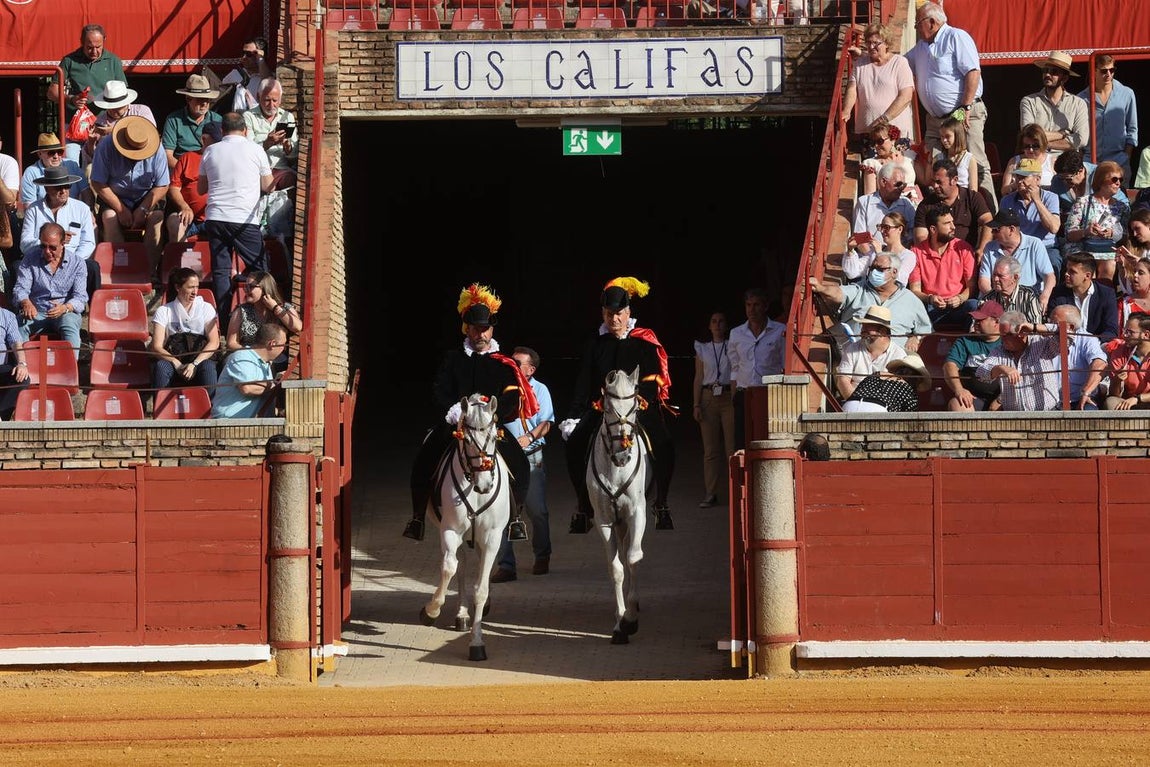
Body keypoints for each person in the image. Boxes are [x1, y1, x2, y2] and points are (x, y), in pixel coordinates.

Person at [403, 284, 534, 542]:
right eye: (475, 328)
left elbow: (510, 397)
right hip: (456, 424)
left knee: (518, 460)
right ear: (467, 329)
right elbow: (439, 390)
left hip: (488, 427)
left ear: (492, 329)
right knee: (425, 455)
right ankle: (418, 516)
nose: (480, 334)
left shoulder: (504, 364)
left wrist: (495, 416)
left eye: (485, 328)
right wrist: (451, 410)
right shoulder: (452, 359)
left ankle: (516, 516)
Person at [561, 277, 676, 533]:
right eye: (609, 314)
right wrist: (574, 415)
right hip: (602, 407)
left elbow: (652, 376)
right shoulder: (594, 344)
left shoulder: (643, 341)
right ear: (602, 313)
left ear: (628, 313)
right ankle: (583, 507)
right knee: (574, 443)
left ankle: (661, 503)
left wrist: (642, 397)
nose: (614, 319)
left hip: (638, 405)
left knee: (665, 443)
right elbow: (583, 381)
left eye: (619, 314)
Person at [905, 1, 996, 210]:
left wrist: (964, 109)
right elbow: (900, 64)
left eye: (918, 23)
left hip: (963, 114)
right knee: (935, 167)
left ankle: (990, 216)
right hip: (936, 121)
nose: (916, 28)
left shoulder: (956, 36)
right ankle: (942, 214)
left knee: (977, 165)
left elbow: (972, 72)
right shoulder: (920, 47)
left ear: (932, 22)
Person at [199, 112, 275, 316]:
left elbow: (200, 189)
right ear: (246, 130)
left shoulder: (210, 151)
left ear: (222, 131)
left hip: (215, 217)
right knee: (260, 269)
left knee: (221, 271)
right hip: (244, 219)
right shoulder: (256, 149)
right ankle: (264, 315)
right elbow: (268, 186)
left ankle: (225, 322)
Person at [490, 346, 555, 583]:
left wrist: (528, 437)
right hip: (504, 457)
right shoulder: (503, 385)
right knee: (501, 512)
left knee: (536, 510)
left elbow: (547, 422)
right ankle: (506, 565)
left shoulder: (540, 389)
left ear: (531, 369)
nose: (512, 365)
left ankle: (542, 554)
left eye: (518, 363)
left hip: (530, 456)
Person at [89, 115, 169, 275]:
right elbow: (98, 182)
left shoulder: (157, 149)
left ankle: (148, 272)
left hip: (146, 195)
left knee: (157, 217)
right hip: (114, 195)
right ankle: (120, 271)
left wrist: (144, 209)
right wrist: (120, 209)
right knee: (109, 218)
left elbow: (162, 185)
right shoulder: (105, 146)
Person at [810, 251, 931, 352]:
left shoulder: (911, 300)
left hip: (892, 363)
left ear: (894, 272)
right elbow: (839, 293)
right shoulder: (860, 289)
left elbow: (925, 328)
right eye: (872, 268)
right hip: (853, 356)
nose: (874, 272)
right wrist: (821, 288)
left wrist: (916, 338)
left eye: (879, 269)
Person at [47, 24, 127, 163]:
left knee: (102, 164)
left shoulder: (113, 60)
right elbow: (51, 92)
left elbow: (123, 94)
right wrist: (71, 99)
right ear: (81, 42)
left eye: (98, 47)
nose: (94, 51)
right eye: (89, 47)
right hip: (74, 126)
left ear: (104, 41)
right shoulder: (69, 60)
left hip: (103, 124)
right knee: (72, 164)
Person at [20, 166, 99, 299]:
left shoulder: (82, 209)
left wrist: (73, 261)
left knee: (93, 267)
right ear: (46, 188)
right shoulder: (34, 210)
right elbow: (24, 244)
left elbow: (88, 242)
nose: (63, 191)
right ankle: (22, 308)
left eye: (66, 186)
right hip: (41, 259)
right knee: (18, 266)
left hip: (75, 258)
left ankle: (96, 308)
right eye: (58, 187)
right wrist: (48, 244)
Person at [11, 223, 87, 359]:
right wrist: (26, 302)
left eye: (52, 247)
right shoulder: (30, 259)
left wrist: (65, 307)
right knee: (18, 324)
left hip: (64, 312)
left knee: (69, 324)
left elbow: (80, 297)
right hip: (37, 311)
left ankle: (69, 367)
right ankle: (24, 365)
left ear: (63, 243)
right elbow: (21, 288)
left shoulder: (77, 263)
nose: (47, 251)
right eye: (43, 246)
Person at [729, 287, 786, 451]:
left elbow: (784, 363)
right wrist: (735, 395)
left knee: (766, 439)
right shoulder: (736, 333)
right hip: (744, 392)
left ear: (765, 306)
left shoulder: (779, 330)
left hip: (769, 392)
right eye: (748, 305)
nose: (751, 310)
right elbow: (734, 367)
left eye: (756, 305)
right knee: (741, 442)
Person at [150, 267, 221, 395]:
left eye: (197, 287)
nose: (195, 291)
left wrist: (194, 363)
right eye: (190, 287)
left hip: (199, 360)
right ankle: (160, 412)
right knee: (161, 366)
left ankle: (212, 410)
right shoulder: (164, 310)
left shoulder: (206, 308)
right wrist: (176, 363)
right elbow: (156, 347)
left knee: (209, 367)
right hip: (174, 360)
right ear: (178, 287)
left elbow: (214, 342)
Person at [841, 22, 915, 144]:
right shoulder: (860, 63)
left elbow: (906, 96)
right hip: (869, 131)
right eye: (868, 42)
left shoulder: (900, 63)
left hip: (894, 132)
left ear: (886, 43)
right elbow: (852, 89)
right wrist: (847, 110)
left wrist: (884, 118)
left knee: (896, 163)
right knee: (871, 163)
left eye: (876, 43)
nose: (871, 46)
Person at [976, 310, 1063, 411]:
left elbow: (1067, 334)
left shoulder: (1041, 344)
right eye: (1001, 334)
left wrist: (1034, 327)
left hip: (1048, 414)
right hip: (1014, 418)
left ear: (1022, 332)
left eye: (1007, 335)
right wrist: (1001, 368)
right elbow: (980, 373)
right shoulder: (999, 351)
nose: (1002, 339)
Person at [908, 205, 977, 328]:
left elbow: (971, 286)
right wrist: (930, 299)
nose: (953, 227)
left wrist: (960, 298)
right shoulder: (916, 252)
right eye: (947, 223)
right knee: (915, 306)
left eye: (952, 222)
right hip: (932, 307)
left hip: (958, 306)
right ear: (933, 229)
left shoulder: (963, 248)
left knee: (974, 305)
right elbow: (915, 290)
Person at [1064, 159, 1130, 285]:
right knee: (1086, 268)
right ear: (1101, 180)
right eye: (1114, 179)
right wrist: (1086, 232)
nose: (1118, 183)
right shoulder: (1083, 203)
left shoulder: (1122, 207)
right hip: (1083, 247)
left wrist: (1112, 234)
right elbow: (1069, 233)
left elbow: (1127, 234)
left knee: (1109, 264)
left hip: (1108, 249)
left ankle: (1102, 300)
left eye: (1120, 180)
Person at [692, 310, 734, 508]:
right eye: (714, 321)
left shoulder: (732, 346)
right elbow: (698, 378)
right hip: (709, 397)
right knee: (710, 451)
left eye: (721, 321)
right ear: (709, 326)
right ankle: (711, 492)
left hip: (727, 396)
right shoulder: (703, 349)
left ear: (726, 325)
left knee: (731, 449)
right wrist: (696, 404)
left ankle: (735, 493)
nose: (717, 325)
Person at [976, 208, 1056, 312]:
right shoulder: (990, 247)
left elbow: (1049, 276)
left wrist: (1045, 297)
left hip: (1027, 300)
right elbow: (984, 280)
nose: (992, 233)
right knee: (972, 306)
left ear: (1011, 229)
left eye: (996, 229)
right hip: (996, 299)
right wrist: (995, 299)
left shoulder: (1034, 244)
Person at [1019, 51, 1089, 164]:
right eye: (1045, 71)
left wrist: (1041, 143)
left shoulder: (1078, 104)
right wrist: (1063, 134)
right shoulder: (1029, 101)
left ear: (1065, 78)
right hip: (1036, 159)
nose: (1047, 75)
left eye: (1054, 72)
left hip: (1067, 162)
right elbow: (1029, 134)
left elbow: (1081, 140)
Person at [913, 158, 992, 256]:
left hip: (968, 255)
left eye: (939, 182)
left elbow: (988, 221)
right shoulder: (926, 205)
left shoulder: (972, 197)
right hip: (936, 257)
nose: (935, 186)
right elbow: (921, 236)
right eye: (933, 181)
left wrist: (982, 248)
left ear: (954, 180)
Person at [1077, 55, 1138, 180]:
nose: (1108, 74)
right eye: (1104, 71)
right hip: (1090, 162)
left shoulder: (1127, 94)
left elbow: (1132, 128)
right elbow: (1078, 131)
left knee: (1120, 198)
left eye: (1112, 70)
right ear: (1094, 70)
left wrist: (1126, 156)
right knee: (1090, 198)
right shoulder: (1081, 98)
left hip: (1119, 160)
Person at [998, 159, 1062, 275]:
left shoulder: (1051, 198)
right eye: (1018, 177)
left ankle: (1051, 292)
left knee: (1054, 263)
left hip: (1046, 246)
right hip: (1017, 247)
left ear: (1037, 179)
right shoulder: (1007, 201)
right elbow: (1003, 230)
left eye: (1024, 177)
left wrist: (1037, 201)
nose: (1020, 181)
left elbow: (1054, 228)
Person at [211, 322, 286, 418]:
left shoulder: (265, 363)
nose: (283, 349)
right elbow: (247, 388)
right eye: (282, 345)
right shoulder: (242, 356)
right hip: (231, 424)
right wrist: (275, 385)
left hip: (251, 425)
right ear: (272, 344)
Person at [834, 304, 906, 401]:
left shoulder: (898, 355)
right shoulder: (852, 349)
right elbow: (843, 380)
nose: (863, 328)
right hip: (854, 404)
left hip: (884, 409)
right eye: (863, 325)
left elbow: (898, 390)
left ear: (883, 331)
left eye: (869, 326)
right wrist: (855, 403)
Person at [165, 121, 221, 245]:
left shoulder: (227, 160)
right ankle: (181, 263)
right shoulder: (188, 157)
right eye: (216, 141)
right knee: (175, 223)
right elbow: (174, 188)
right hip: (190, 219)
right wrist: (184, 207)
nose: (220, 145)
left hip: (217, 218)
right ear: (204, 139)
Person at [943, 299, 1003, 412]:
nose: (976, 323)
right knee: (958, 405)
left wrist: (1000, 400)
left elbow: (1021, 376)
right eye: (975, 320)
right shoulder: (966, 340)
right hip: (974, 398)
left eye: (981, 320)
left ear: (996, 322)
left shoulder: (1008, 341)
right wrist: (959, 390)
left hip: (1004, 398)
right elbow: (949, 366)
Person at [1045, 304, 1107, 411]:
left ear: (1071, 327)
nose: (1050, 326)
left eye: (1055, 323)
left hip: (1081, 399)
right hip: (1052, 402)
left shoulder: (1087, 339)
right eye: (1049, 322)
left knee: (1089, 414)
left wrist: (1086, 392)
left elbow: (1100, 364)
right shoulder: (1045, 338)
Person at [1047, 251, 1119, 343]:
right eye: (1067, 270)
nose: (1066, 274)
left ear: (1087, 275)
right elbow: (1052, 325)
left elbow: (1111, 330)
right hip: (1065, 345)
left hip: (1097, 346)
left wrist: (1092, 343)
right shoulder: (1058, 292)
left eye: (1072, 272)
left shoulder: (1106, 294)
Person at [83, 80, 156, 169]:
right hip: (112, 165)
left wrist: (114, 130)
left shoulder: (141, 111)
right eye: (111, 107)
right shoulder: (100, 121)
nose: (114, 110)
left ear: (126, 103)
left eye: (118, 107)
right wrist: (91, 143)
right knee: (90, 169)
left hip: (142, 161)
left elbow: (150, 131)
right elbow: (94, 158)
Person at [161, 74, 224, 172]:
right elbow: (167, 155)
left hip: (212, 170)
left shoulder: (217, 119)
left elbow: (224, 151)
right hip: (183, 172)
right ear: (188, 99)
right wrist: (188, 171)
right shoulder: (173, 120)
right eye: (199, 99)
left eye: (207, 99)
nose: (204, 104)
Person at [243, 78, 298, 185]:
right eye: (267, 100)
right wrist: (267, 143)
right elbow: (247, 151)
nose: (271, 105)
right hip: (257, 170)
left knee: (292, 179)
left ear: (280, 99)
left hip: (281, 168)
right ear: (259, 97)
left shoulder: (287, 117)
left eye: (275, 100)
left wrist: (288, 149)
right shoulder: (248, 116)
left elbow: (295, 155)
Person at [841, 211, 916, 286]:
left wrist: (880, 254)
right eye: (881, 227)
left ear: (899, 229)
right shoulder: (876, 250)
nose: (882, 231)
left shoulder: (908, 256)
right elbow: (852, 273)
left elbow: (898, 280)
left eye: (886, 227)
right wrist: (850, 250)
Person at [851, 163, 917, 247]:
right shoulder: (865, 202)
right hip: (871, 256)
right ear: (883, 182)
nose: (901, 189)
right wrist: (877, 257)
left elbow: (913, 234)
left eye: (903, 185)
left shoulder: (906, 204)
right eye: (898, 184)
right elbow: (859, 238)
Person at [840, 353, 930, 413]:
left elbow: (859, 390)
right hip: (878, 409)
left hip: (849, 405)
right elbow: (909, 419)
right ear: (916, 379)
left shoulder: (877, 374)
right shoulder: (908, 390)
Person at [20, 133, 89, 205]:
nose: (56, 156)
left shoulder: (72, 165)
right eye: (51, 153)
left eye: (59, 152)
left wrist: (86, 212)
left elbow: (87, 193)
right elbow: (29, 206)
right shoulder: (30, 173)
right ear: (40, 154)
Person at [979, 255, 1044, 326]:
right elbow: (976, 327)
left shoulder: (1028, 296)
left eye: (1000, 276)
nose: (995, 279)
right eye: (994, 275)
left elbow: (1036, 327)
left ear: (1015, 278)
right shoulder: (988, 298)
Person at [1104, 312, 1150, 410]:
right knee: (1111, 402)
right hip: (1128, 402)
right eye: (1125, 331)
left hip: (1143, 400)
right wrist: (1117, 380)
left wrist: (1138, 399)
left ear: (1146, 335)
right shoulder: (1120, 351)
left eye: (1130, 332)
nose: (1124, 335)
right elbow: (1113, 394)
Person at [861, 125, 918, 202]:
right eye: (873, 142)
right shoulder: (872, 164)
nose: (876, 146)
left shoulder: (909, 157)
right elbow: (869, 197)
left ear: (892, 139)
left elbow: (925, 179)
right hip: (889, 206)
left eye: (879, 141)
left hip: (914, 201)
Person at [1001, 124, 1056, 196]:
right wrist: (1016, 184)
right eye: (1026, 146)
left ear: (1042, 144)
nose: (1031, 150)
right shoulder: (1014, 161)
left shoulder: (1052, 161)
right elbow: (1003, 191)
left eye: (1035, 146)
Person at [222, 36, 272, 113]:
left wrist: (261, 59)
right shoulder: (235, 74)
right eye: (243, 53)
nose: (244, 57)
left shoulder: (265, 76)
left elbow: (269, 84)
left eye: (248, 54)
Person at [0, 304, 31, 420]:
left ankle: (2, 417)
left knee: (22, 378)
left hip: (1, 368)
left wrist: (22, 364)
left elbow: (16, 343)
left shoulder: (7, 316)